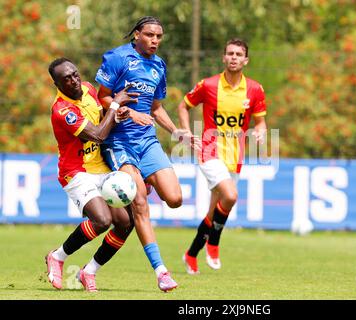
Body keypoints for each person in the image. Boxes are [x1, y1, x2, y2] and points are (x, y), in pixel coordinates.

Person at [95, 16, 199, 291]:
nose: (155, 40)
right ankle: (162, 272)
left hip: (147, 142)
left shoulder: (158, 66)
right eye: (150, 35)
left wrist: (176, 132)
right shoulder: (118, 58)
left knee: (175, 198)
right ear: (137, 35)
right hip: (119, 142)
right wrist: (129, 112)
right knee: (139, 201)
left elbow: (155, 107)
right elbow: (101, 97)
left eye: (159, 37)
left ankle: (141, 178)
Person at [46, 57, 139, 292]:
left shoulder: (88, 89)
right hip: (76, 172)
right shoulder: (63, 110)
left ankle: (89, 271)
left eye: (75, 74)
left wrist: (118, 115)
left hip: (102, 167)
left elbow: (105, 125)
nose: (74, 81)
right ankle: (57, 256)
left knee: (126, 223)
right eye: (66, 79)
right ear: (57, 84)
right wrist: (116, 104)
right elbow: (97, 134)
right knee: (102, 220)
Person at [178, 38, 267, 274]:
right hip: (209, 149)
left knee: (213, 211)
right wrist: (186, 132)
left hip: (235, 156)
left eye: (239, 54)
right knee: (230, 195)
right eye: (230, 53)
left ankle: (190, 254)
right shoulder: (208, 85)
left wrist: (260, 131)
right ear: (223, 57)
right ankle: (214, 243)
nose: (234, 57)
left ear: (246, 60)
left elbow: (261, 122)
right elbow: (183, 106)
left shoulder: (255, 89)